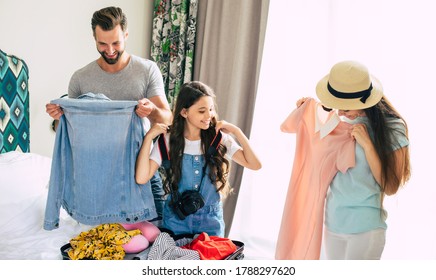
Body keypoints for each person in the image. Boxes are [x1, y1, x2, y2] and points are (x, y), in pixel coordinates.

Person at [45, 6, 172, 222]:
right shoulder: (80, 78)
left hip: (141, 173)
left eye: (116, 43)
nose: (110, 50)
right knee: (105, 246)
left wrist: (150, 111)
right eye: (102, 44)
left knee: (159, 236)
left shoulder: (147, 70)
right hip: (96, 181)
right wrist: (58, 118)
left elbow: (167, 119)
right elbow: (67, 131)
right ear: (94, 38)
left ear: (126, 34)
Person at [135, 81, 262, 237]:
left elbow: (255, 164)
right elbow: (142, 178)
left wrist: (237, 132)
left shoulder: (218, 139)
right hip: (176, 219)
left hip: (210, 221)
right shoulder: (167, 141)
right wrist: (148, 138)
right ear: (184, 112)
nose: (209, 115)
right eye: (202, 111)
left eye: (211, 109)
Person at [312, 60, 411, 259]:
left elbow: (390, 187)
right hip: (332, 224)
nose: (340, 113)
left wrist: (368, 145)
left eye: (345, 109)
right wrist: (307, 110)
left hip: (365, 229)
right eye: (336, 106)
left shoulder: (393, 128)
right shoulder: (339, 123)